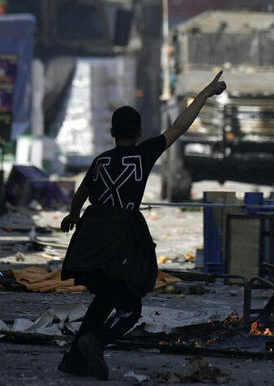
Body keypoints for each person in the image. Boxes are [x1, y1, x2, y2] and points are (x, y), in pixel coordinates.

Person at [57, 71, 226, 380]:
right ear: (138, 132)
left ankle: (73, 358)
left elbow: (82, 193)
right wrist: (205, 93)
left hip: (92, 238)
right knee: (130, 308)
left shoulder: (101, 161)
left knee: (105, 296)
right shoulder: (143, 154)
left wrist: (73, 215)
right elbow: (179, 126)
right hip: (121, 240)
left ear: (112, 132)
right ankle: (95, 343)